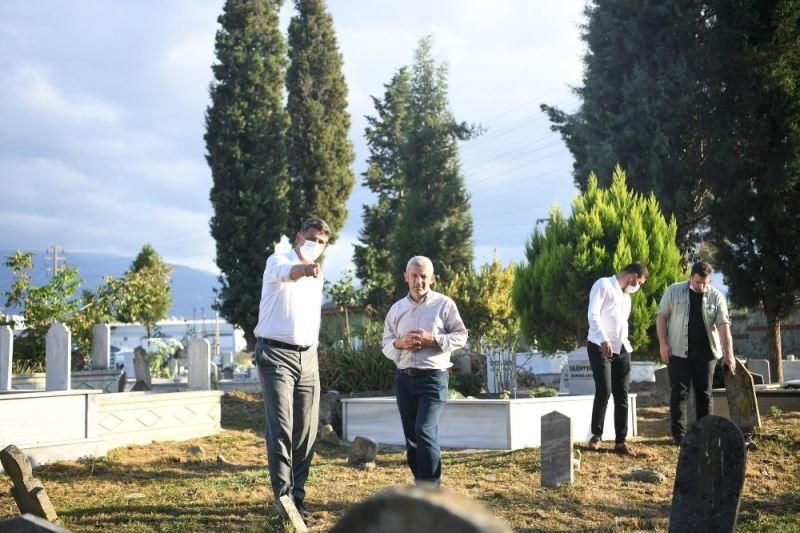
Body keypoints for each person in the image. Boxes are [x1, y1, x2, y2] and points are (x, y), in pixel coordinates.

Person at [253, 216, 330, 522]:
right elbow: (287, 274)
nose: (316, 245)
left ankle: (298, 498)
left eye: (322, 242)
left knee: (306, 432)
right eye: (311, 238)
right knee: (281, 428)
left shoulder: (319, 276)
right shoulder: (278, 260)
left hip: (307, 356)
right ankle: (285, 504)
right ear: (299, 237)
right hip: (275, 354)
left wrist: (313, 348)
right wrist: (304, 270)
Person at [382, 256, 468, 485]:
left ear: (432, 279)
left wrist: (434, 340)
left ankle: (431, 490)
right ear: (406, 277)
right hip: (404, 379)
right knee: (412, 437)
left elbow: (461, 336)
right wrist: (400, 343)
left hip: (433, 379)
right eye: (414, 276)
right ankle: (421, 485)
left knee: (424, 430)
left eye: (423, 277)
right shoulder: (396, 309)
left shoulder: (445, 304)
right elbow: (386, 343)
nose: (418, 281)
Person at [656, 261, 735, 446]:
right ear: (690, 277)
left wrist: (729, 353)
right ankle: (679, 437)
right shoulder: (674, 291)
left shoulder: (716, 297)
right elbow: (661, 317)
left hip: (706, 354)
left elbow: (724, 326)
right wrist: (663, 344)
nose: (702, 286)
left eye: (705, 283)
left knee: (704, 394)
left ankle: (704, 436)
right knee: (679, 393)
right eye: (698, 282)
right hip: (678, 351)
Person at [586, 262, 649, 456]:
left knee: (622, 394)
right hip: (599, 345)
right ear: (633, 276)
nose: (638, 286)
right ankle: (596, 435)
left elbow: (622, 324)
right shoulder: (603, 284)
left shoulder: (626, 297)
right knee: (604, 391)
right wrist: (603, 339)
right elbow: (593, 314)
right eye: (639, 282)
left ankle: (621, 442)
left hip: (621, 348)